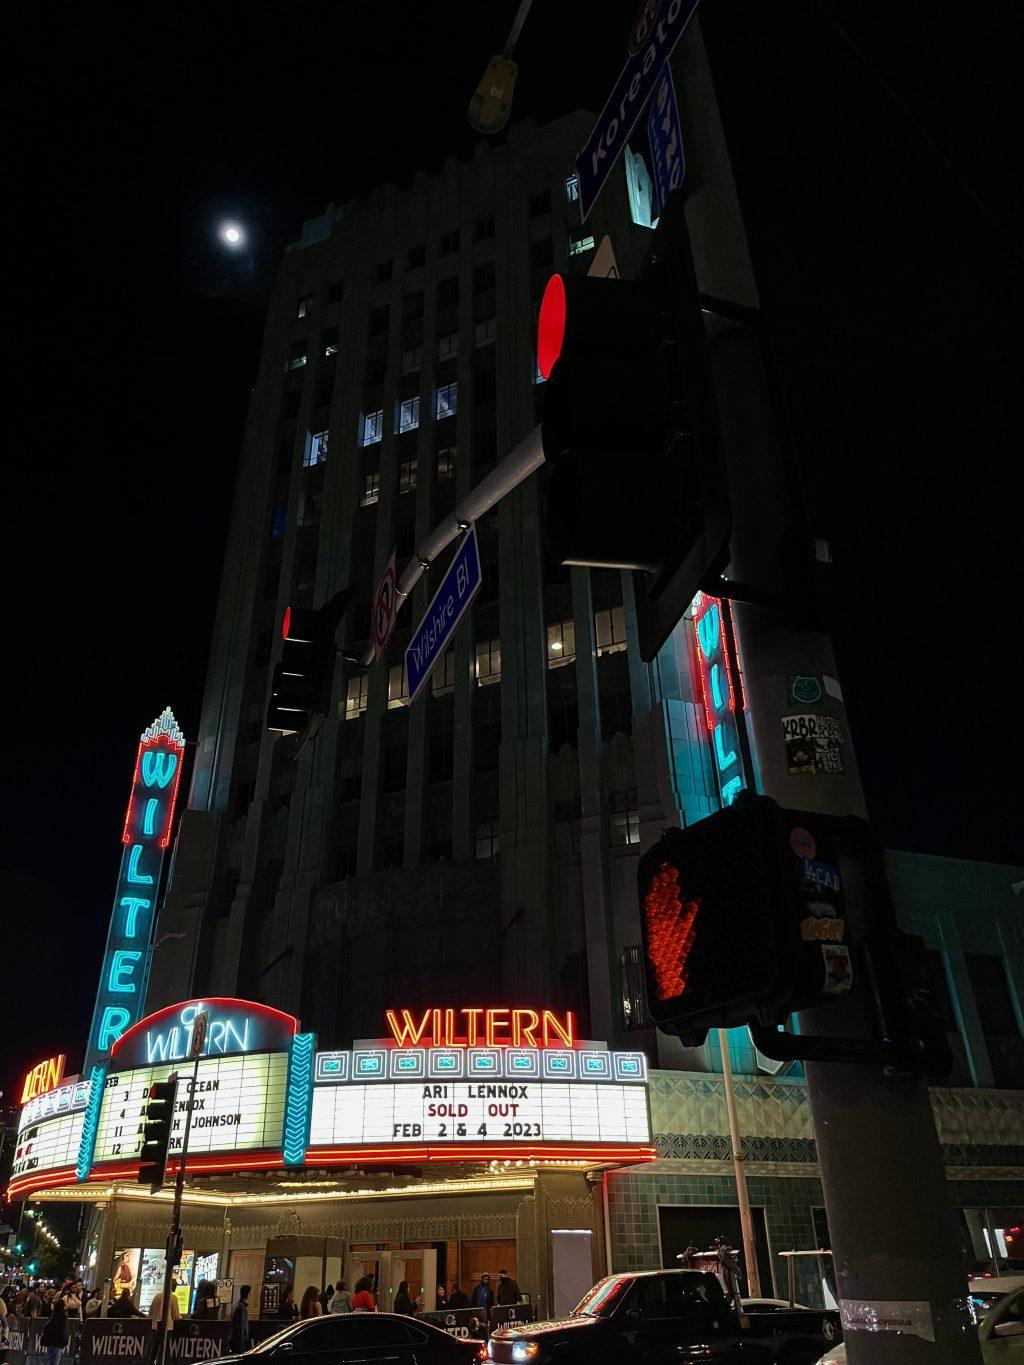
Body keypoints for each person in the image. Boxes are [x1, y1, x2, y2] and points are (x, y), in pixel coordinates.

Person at [40, 1297, 68, 1365]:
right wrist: (64, 1341)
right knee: (55, 1361)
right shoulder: (63, 1317)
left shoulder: (54, 1316)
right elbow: (62, 1331)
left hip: (51, 1342)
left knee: (50, 1359)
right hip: (57, 1342)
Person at [230, 1285, 251, 1354]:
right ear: (247, 1294)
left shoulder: (237, 1305)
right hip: (239, 1342)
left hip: (235, 1340)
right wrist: (241, 1345)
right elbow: (241, 1327)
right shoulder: (242, 1307)